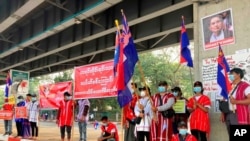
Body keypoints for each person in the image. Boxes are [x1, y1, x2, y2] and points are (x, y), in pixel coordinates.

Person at [221, 68, 250, 135]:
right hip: (228, 114)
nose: (230, 76)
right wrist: (223, 113)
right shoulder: (229, 87)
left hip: (238, 114)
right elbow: (225, 101)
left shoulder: (245, 86)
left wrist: (236, 102)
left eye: (232, 74)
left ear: (238, 75)